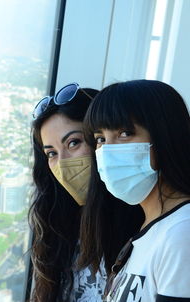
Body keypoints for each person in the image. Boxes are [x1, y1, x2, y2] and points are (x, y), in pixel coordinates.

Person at [29, 83, 144, 302]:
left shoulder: (144, 227)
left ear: (101, 140)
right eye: (51, 153)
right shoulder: (59, 228)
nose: (62, 163)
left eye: (74, 143)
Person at [81, 79, 190, 302]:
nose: (107, 151)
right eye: (100, 139)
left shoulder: (182, 232)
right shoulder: (151, 228)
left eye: (124, 133)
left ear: (165, 136)